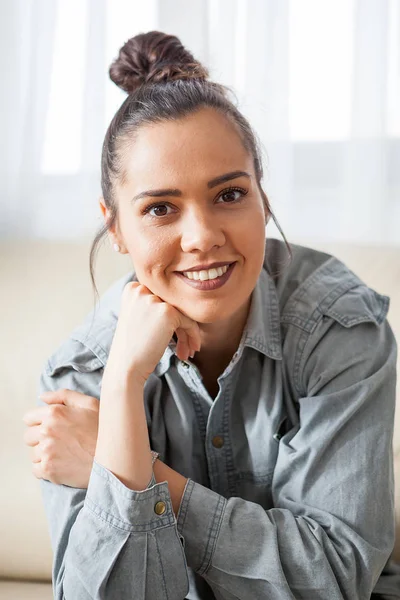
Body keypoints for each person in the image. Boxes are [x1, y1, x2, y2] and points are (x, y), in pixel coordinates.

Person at [22, 31, 400, 599]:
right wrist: (125, 385)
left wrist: (137, 473)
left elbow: (334, 579)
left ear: (262, 196)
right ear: (116, 226)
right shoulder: (84, 372)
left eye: (228, 195)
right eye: (160, 208)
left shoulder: (338, 329)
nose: (202, 237)